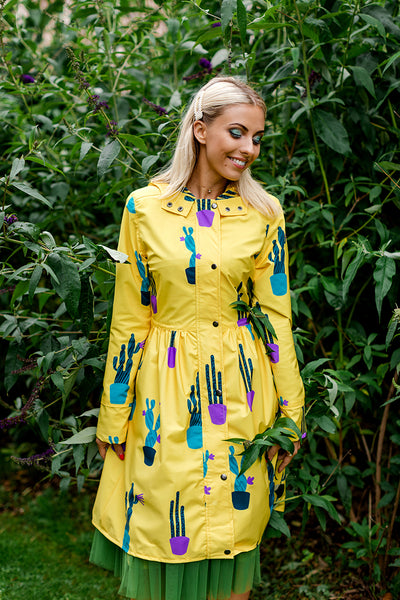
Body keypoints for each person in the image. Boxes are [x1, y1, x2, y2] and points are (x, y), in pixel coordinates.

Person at [90, 76, 305, 600]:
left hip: (241, 391)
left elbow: (276, 317)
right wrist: (113, 413)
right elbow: (130, 317)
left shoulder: (263, 213)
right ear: (200, 129)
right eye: (237, 132)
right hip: (165, 395)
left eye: (257, 138)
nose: (249, 149)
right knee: (166, 527)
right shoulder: (144, 209)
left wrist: (291, 408)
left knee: (235, 530)